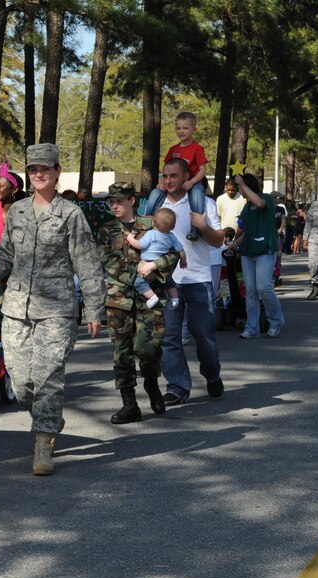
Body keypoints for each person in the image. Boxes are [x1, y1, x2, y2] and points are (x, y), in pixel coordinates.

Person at [0, 143, 106, 477]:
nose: (38, 174)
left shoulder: (70, 214)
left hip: (56, 309)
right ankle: (49, 417)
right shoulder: (17, 211)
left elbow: (87, 264)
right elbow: (5, 257)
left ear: (57, 172)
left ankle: (43, 442)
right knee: (22, 382)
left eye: (45, 169)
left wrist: (95, 308)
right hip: (15, 307)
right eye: (33, 169)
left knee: (48, 378)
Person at [97, 182, 180, 425]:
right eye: (111, 201)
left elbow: (173, 252)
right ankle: (129, 403)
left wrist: (155, 267)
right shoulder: (106, 230)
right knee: (122, 353)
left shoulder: (152, 224)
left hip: (150, 301)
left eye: (119, 201)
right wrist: (139, 275)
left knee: (149, 348)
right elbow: (109, 262)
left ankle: (152, 383)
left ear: (132, 200)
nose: (114, 205)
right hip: (119, 299)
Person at [146, 158, 225, 406]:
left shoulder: (202, 204)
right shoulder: (156, 208)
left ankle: (212, 374)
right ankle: (177, 387)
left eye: (174, 176)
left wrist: (203, 226)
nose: (169, 180)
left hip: (198, 280)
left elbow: (218, 241)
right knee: (170, 337)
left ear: (186, 177)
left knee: (203, 335)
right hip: (168, 282)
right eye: (165, 176)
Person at [226, 174, 285, 338]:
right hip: (248, 252)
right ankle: (252, 328)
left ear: (247, 186)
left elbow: (259, 203)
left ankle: (276, 321)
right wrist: (233, 245)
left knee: (263, 288)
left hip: (265, 251)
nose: (240, 192)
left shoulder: (264, 198)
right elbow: (246, 232)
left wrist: (242, 183)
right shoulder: (245, 207)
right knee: (250, 291)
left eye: (241, 188)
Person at [145, 112, 208, 241]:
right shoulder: (173, 149)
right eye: (178, 128)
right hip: (174, 184)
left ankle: (196, 230)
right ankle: (145, 224)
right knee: (155, 193)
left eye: (185, 128)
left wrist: (193, 181)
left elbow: (203, 170)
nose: (181, 131)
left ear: (194, 129)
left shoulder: (197, 148)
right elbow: (166, 169)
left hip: (193, 182)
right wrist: (162, 182)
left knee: (196, 195)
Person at [126, 208, 187, 309]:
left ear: (153, 222)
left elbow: (140, 245)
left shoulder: (151, 234)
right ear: (172, 227)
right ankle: (175, 298)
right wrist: (183, 261)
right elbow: (180, 250)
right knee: (169, 281)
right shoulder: (172, 236)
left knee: (138, 282)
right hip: (162, 266)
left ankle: (152, 297)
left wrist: (130, 239)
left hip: (147, 264)